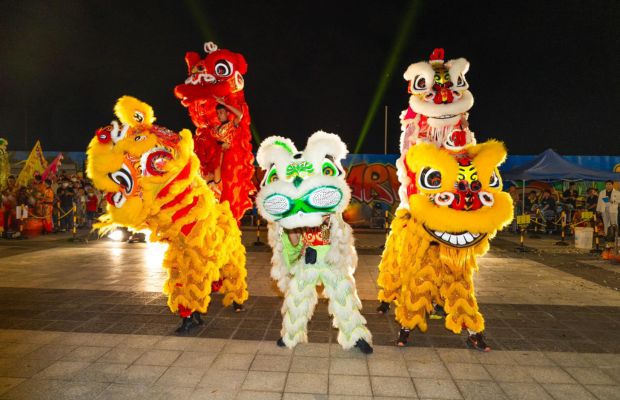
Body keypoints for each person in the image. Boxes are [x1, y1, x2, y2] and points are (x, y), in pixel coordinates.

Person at [204, 96, 243, 197]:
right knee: (207, 175)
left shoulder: (231, 124)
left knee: (218, 171)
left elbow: (240, 114)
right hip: (216, 153)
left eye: (221, 112)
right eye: (218, 113)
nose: (219, 115)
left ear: (227, 113)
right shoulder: (216, 127)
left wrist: (225, 104)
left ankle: (218, 191)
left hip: (225, 154)